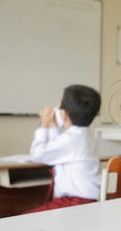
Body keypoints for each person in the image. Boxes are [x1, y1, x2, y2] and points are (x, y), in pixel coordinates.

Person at [25, 84, 101, 213]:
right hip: (86, 201)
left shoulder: (72, 138)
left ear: (64, 114)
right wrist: (54, 124)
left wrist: (43, 124)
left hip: (75, 204)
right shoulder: (84, 134)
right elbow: (60, 146)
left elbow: (36, 155)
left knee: (24, 219)